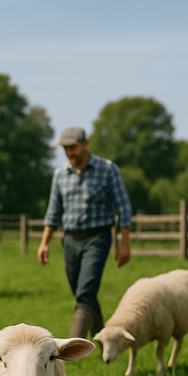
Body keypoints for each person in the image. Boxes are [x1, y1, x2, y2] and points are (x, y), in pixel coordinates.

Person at [37, 126, 133, 339]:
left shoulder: (107, 169)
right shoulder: (60, 174)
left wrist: (124, 242)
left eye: (73, 147)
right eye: (66, 149)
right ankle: (103, 339)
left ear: (86, 143)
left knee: (85, 292)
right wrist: (44, 242)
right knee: (83, 295)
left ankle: (73, 348)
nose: (70, 153)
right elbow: (53, 211)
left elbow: (123, 206)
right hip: (70, 240)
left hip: (97, 238)